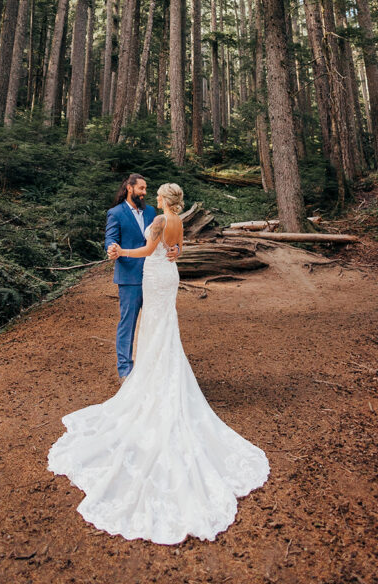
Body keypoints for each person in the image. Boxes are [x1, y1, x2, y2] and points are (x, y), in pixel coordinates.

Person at [47, 182, 270, 545]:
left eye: (156, 193)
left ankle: (149, 379)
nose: (152, 195)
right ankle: (156, 374)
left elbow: (150, 249)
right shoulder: (178, 220)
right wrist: (165, 253)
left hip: (154, 276)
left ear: (164, 199)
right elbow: (176, 250)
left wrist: (121, 252)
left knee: (153, 328)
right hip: (168, 277)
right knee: (163, 328)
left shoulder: (157, 220)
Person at [102, 173, 178, 381]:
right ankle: (125, 370)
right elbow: (111, 237)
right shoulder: (115, 213)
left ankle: (154, 368)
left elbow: (168, 236)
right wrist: (111, 248)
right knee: (128, 322)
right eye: (141, 189)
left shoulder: (152, 211)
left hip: (155, 277)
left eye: (146, 189)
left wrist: (176, 249)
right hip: (131, 277)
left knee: (156, 322)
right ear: (130, 188)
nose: (145, 193)